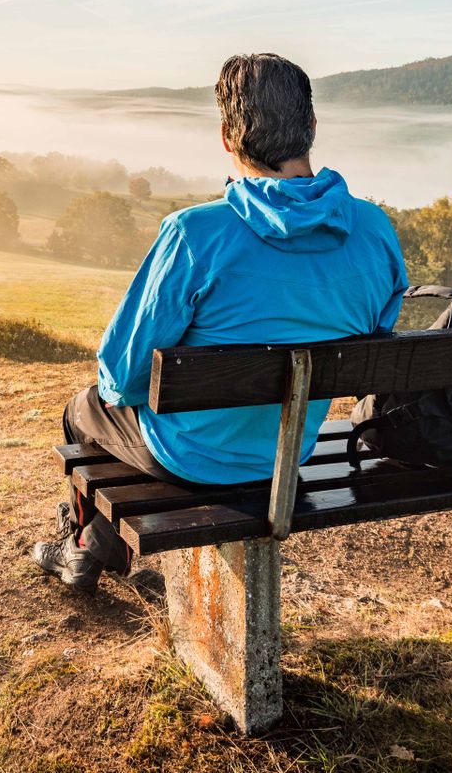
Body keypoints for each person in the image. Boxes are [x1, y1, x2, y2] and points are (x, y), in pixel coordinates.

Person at [31, 53, 407, 590]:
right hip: (288, 454)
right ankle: (90, 551)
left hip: (192, 458)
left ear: (227, 135)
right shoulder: (372, 229)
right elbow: (377, 339)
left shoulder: (195, 233)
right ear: (312, 128)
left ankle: (83, 549)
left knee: (84, 408)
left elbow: (121, 378)